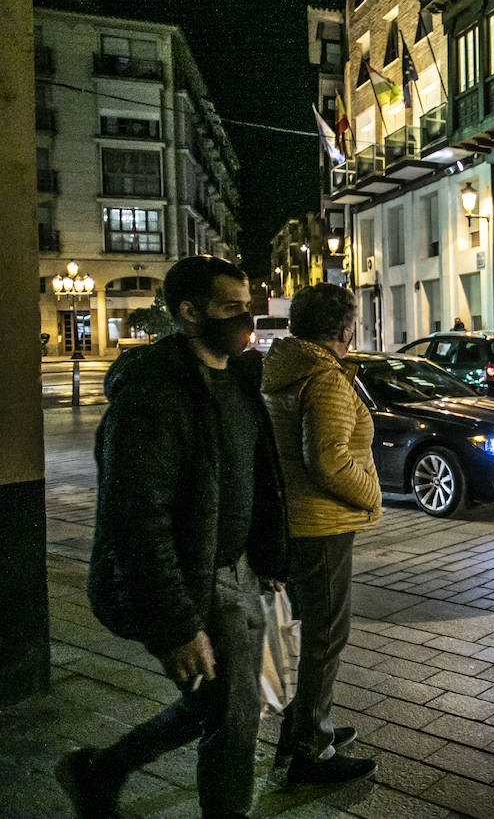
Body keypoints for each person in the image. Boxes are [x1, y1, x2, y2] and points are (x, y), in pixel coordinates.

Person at [57, 255, 290, 819]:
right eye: (230, 308)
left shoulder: (237, 378)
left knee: (218, 703)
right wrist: (177, 628)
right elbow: (136, 518)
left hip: (236, 568)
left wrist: (268, 555)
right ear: (188, 313)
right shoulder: (154, 395)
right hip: (195, 576)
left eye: (248, 305)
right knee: (235, 717)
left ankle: (100, 769)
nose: (246, 320)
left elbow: (255, 477)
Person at [261, 284, 381, 786]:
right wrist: (371, 497)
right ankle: (312, 748)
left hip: (295, 520)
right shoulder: (324, 376)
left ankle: (305, 725)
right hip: (323, 524)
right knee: (327, 637)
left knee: (314, 633)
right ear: (343, 328)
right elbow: (328, 459)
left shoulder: (283, 366)